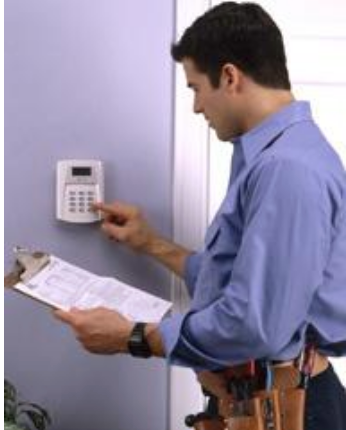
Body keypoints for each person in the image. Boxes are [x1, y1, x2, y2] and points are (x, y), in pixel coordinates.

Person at [55, 2, 346, 429]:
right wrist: (148, 242)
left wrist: (132, 337)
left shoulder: (287, 169)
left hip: (289, 409)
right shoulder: (267, 155)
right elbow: (238, 281)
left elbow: (254, 325)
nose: (195, 106)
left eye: (195, 88)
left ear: (229, 77)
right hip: (261, 400)